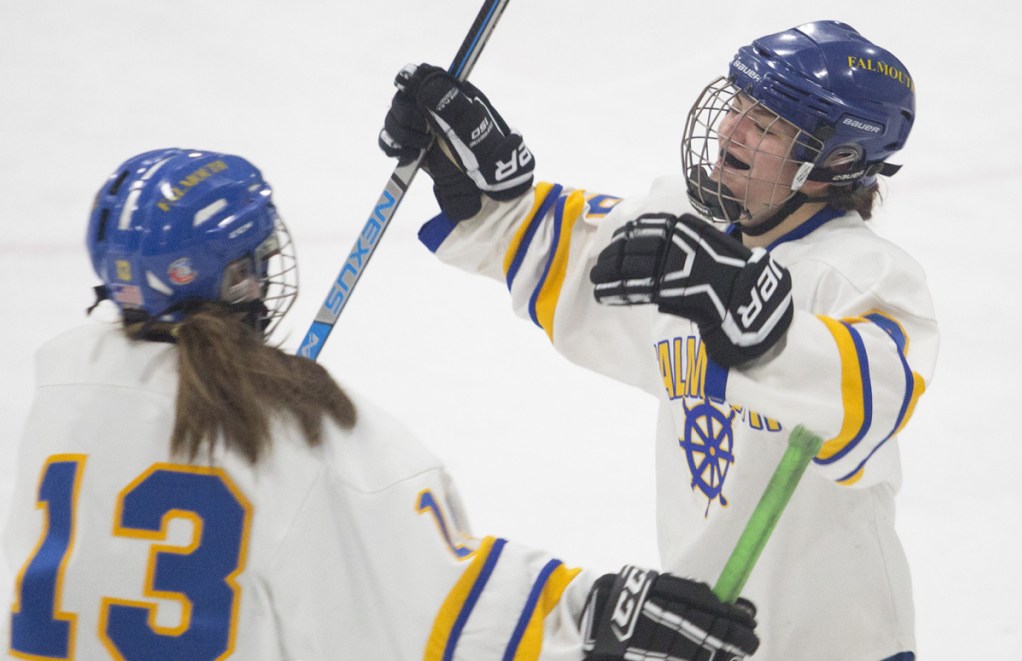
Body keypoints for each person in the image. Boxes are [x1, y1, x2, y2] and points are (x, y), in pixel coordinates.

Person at [2, 148, 759, 660]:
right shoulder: (295, 437)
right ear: (240, 280)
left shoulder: (55, 395)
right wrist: (599, 608)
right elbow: (432, 604)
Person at [378, 20, 938, 661]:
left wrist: (745, 309)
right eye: (739, 106)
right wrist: (477, 186)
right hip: (698, 633)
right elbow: (578, 258)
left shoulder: (860, 274)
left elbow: (874, 394)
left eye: (767, 127)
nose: (731, 132)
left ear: (835, 162)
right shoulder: (692, 230)